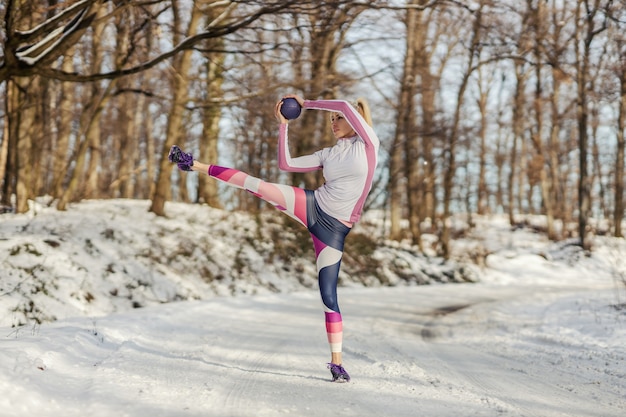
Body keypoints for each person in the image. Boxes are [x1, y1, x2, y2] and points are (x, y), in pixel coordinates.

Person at [168, 94, 380, 382]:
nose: (334, 122)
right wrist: (284, 125)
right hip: (312, 204)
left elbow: (343, 105)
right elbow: (287, 164)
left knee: (328, 295)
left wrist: (305, 103)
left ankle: (337, 363)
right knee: (257, 185)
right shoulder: (328, 154)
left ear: (355, 121)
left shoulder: (369, 145)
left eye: (338, 119)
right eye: (331, 120)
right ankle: (192, 164)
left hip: (335, 229)